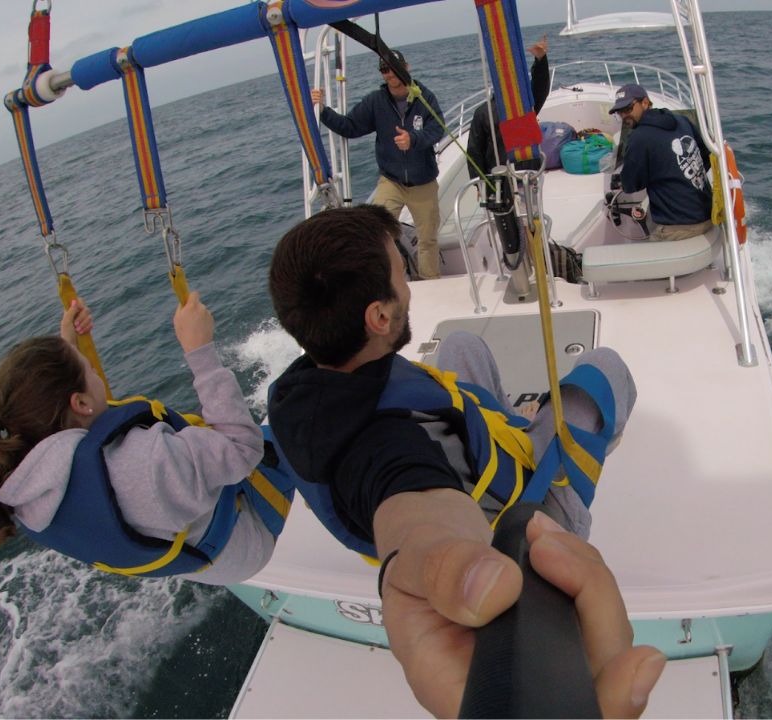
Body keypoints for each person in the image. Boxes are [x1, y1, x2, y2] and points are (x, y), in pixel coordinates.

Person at [266, 204, 660, 715]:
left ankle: (514, 419)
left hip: (466, 450)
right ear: (379, 317)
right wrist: (438, 552)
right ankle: (563, 444)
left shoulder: (301, 393)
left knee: (461, 345)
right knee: (604, 369)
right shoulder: (393, 446)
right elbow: (414, 502)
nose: (407, 284)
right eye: (400, 272)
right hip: (522, 510)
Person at [0, 293, 292, 585]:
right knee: (296, 415)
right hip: (251, 537)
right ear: (78, 403)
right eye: (88, 369)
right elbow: (243, 450)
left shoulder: (26, 493)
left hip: (207, 564)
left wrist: (68, 346)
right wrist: (200, 351)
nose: (96, 373)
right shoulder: (147, 462)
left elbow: (98, 448)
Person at [311, 49, 445, 279]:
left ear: (406, 66)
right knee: (377, 233)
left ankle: (430, 282)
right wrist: (322, 109)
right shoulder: (376, 101)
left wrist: (413, 140)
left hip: (423, 181)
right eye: (384, 69)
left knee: (428, 238)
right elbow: (350, 126)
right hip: (391, 181)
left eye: (394, 67)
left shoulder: (425, 97)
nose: (390, 73)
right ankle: (394, 280)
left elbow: (437, 129)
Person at [610, 83, 716, 242]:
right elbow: (705, 156)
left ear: (645, 103)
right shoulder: (681, 120)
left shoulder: (639, 138)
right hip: (709, 213)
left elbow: (631, 185)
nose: (624, 116)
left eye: (628, 109)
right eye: (620, 112)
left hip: (680, 228)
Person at [466, 35, 550, 185]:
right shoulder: (483, 113)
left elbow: (540, 87)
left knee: (530, 207)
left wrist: (540, 60)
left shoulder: (524, 105)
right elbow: (474, 152)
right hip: (499, 181)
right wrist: (480, 185)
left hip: (527, 175)